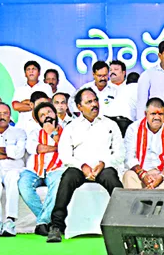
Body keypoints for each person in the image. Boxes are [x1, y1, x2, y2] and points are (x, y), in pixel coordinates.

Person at [48, 88, 124, 243]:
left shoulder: (110, 124)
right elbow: (65, 154)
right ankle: (56, 226)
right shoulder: (72, 126)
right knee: (68, 177)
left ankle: (125, 223)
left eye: (95, 100)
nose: (94, 104)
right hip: (79, 169)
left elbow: (120, 153)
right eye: (89, 102)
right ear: (79, 107)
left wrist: (103, 163)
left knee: (112, 178)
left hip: (104, 168)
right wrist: (82, 166)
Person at [17, 102, 64, 237]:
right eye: (42, 115)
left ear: (55, 114)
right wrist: (56, 148)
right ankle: (46, 221)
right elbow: (36, 149)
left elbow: (65, 148)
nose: (47, 116)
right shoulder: (34, 132)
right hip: (34, 170)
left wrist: (52, 133)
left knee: (57, 186)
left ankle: (42, 223)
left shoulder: (66, 130)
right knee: (23, 186)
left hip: (56, 168)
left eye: (49, 112)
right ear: (38, 120)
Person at [0, 102, 26, 238]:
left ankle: (10, 221)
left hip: (13, 168)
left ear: (10, 116)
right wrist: (9, 151)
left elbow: (18, 153)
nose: (1, 117)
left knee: (13, 180)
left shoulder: (19, 132)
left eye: (5, 113)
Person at [124, 98, 164, 189]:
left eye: (160, 114)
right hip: (141, 174)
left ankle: (160, 202)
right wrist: (143, 175)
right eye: (153, 114)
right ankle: (139, 202)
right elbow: (129, 157)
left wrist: (161, 176)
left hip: (163, 175)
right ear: (145, 114)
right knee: (129, 176)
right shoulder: (133, 129)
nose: (157, 117)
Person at [12, 61, 54, 128]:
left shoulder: (46, 87)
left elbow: (49, 103)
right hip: (23, 126)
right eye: (28, 69)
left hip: (41, 125)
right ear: (25, 74)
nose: (31, 71)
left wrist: (25, 103)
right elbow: (15, 106)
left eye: (34, 69)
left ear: (39, 73)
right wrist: (37, 105)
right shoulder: (19, 89)